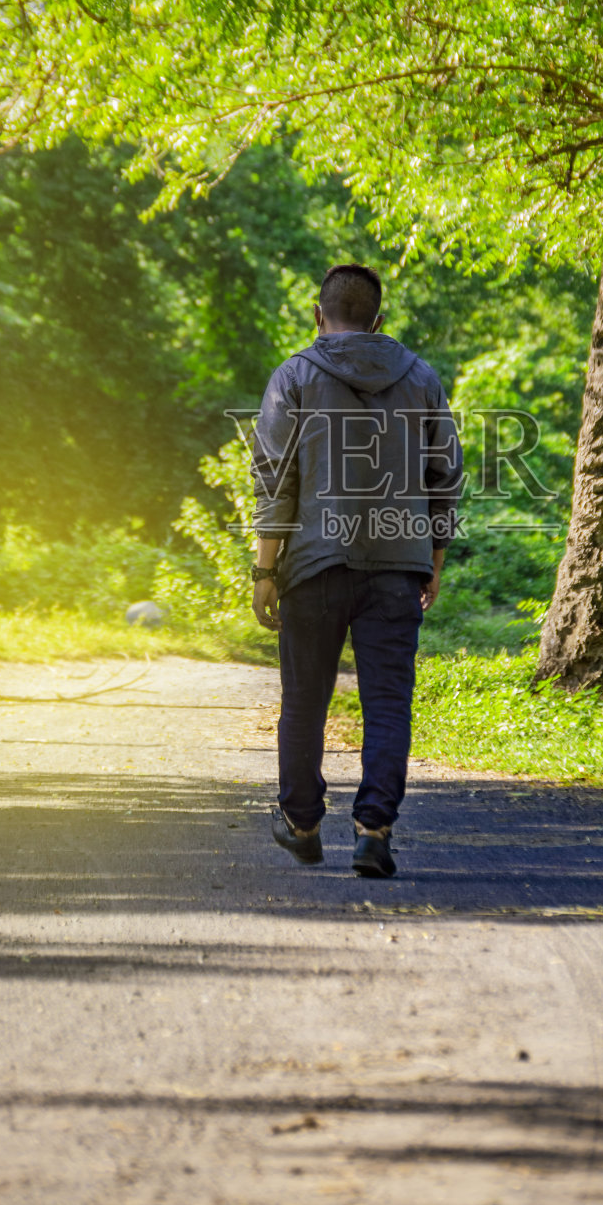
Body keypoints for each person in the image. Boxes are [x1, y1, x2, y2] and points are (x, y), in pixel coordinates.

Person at [250, 264, 463, 878]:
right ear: (379, 321)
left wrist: (264, 571)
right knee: (389, 701)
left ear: (319, 316)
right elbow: (444, 478)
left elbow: (275, 481)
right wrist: (432, 561)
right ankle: (374, 832)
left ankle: (302, 824)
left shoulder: (293, 376)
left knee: (305, 702)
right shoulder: (421, 377)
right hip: (398, 568)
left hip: (313, 566)